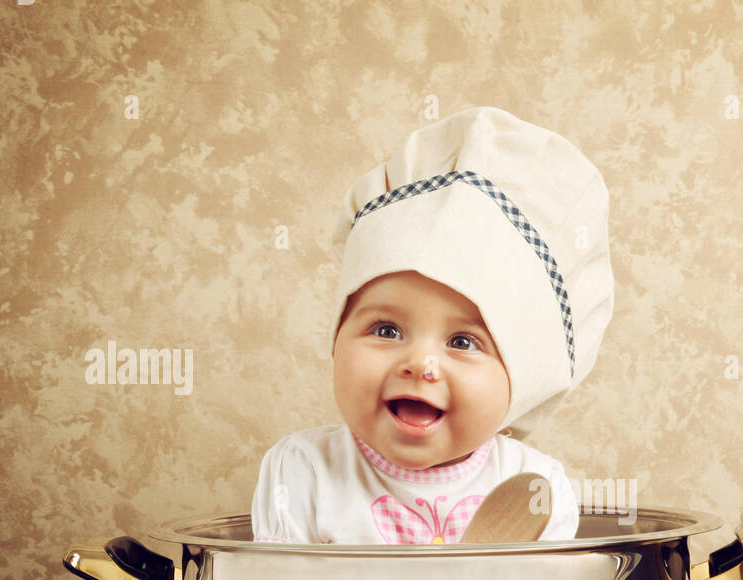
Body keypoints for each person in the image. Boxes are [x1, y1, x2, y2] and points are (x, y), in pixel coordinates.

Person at [251, 106, 614, 544]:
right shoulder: (304, 471)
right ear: (336, 337)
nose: (420, 363)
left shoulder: (535, 488)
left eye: (463, 341)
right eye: (386, 331)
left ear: (521, 381)